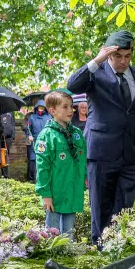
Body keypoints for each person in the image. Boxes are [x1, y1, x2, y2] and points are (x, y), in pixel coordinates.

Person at [66, 30, 135, 244]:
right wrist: (97, 60)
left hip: (132, 152)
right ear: (108, 54)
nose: (123, 61)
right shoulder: (95, 74)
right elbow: (72, 85)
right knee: (101, 205)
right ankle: (100, 248)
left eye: (127, 56)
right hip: (101, 152)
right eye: (118, 56)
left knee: (125, 204)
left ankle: (118, 244)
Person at [34, 90, 87, 239]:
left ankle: (68, 257)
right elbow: (42, 167)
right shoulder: (47, 135)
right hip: (55, 194)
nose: (71, 110)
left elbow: (82, 160)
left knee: (69, 234)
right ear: (52, 111)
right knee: (53, 234)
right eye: (65, 107)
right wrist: (45, 195)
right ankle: (53, 258)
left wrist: (84, 179)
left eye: (71, 106)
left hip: (72, 191)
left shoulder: (76, 133)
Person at [24, 101, 51, 182]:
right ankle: (32, 179)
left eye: (42, 107)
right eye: (39, 107)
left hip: (45, 141)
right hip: (34, 142)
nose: (41, 109)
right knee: (33, 159)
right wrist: (29, 135)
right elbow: (28, 128)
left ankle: (44, 178)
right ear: (36, 108)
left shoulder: (49, 117)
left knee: (44, 158)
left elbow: (51, 128)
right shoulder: (32, 117)